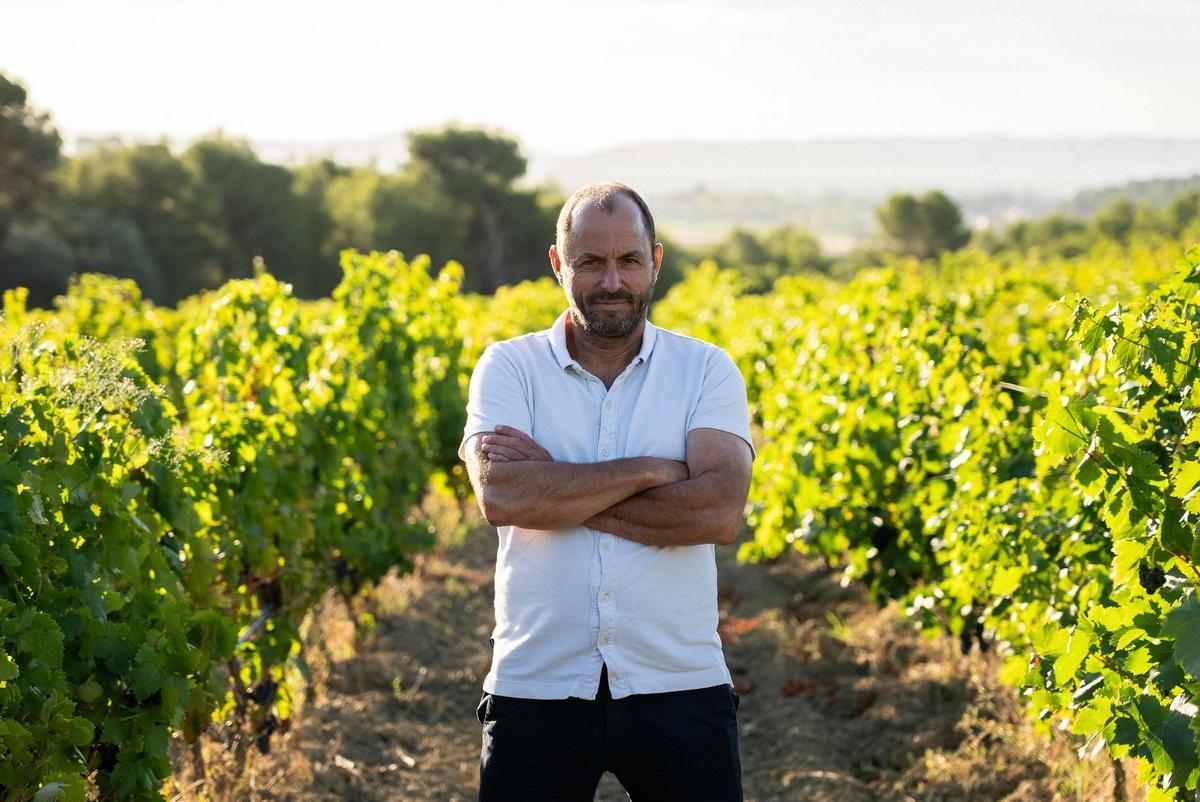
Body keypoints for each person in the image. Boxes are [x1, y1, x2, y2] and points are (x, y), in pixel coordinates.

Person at [459, 180, 755, 801]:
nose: (612, 282)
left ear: (656, 262)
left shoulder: (706, 370)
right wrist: (653, 468)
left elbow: (718, 511)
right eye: (590, 262)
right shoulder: (509, 368)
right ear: (557, 263)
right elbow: (503, 498)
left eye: (629, 261)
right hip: (535, 685)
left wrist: (559, 489)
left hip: (680, 684)